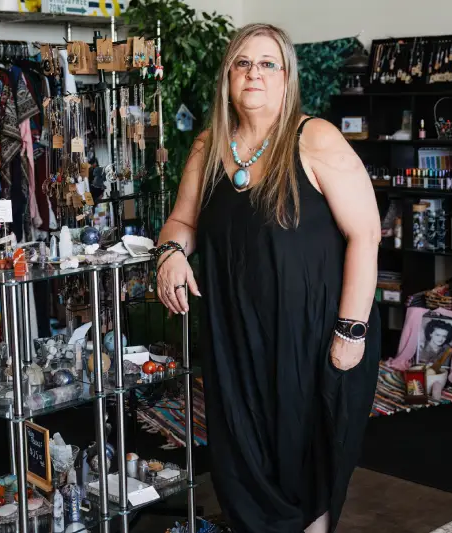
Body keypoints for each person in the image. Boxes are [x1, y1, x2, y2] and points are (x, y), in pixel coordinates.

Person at [153, 23, 381, 533]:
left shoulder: (314, 137)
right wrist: (169, 252)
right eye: (242, 63)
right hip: (236, 336)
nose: (253, 73)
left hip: (317, 334)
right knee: (242, 458)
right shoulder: (209, 146)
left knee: (305, 462)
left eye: (266, 64)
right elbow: (182, 221)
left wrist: (352, 330)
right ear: (228, 77)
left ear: (286, 79)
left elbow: (367, 234)